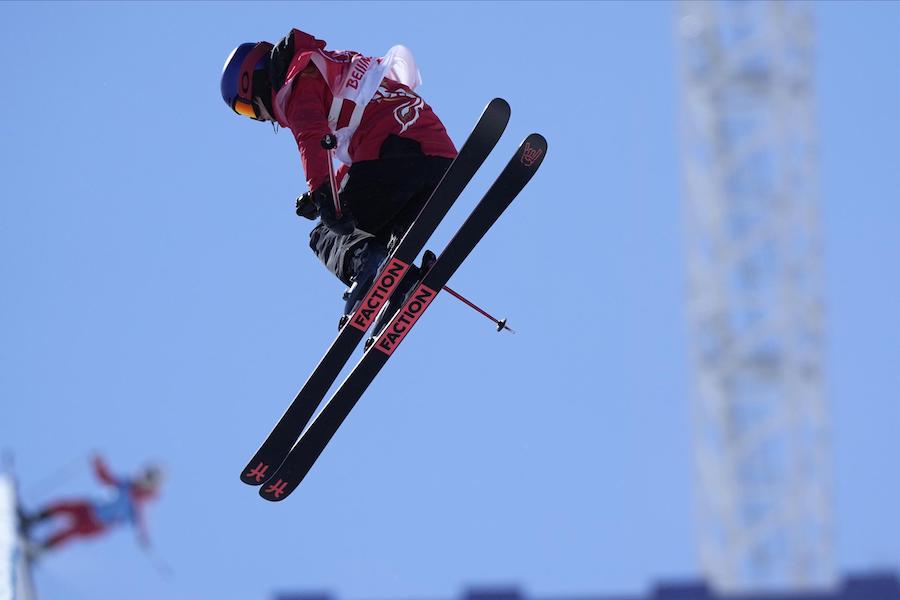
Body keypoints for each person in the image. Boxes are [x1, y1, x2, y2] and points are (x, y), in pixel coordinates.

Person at [220, 28, 458, 316]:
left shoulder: (297, 84)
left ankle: (370, 268)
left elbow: (312, 138)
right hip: (436, 157)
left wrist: (323, 194)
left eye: (247, 109)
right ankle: (403, 284)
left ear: (253, 81)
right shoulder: (329, 67)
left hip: (397, 157)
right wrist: (323, 191)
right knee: (379, 239)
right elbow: (358, 148)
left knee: (326, 234)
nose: (259, 118)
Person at [22, 455, 162, 554]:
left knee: (71, 530)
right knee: (64, 506)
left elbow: (143, 522)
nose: (142, 478)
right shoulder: (126, 484)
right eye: (144, 474)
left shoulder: (142, 502)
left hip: (98, 523)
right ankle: (32, 520)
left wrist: (144, 538)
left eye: (148, 478)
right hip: (91, 506)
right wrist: (99, 465)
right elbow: (107, 479)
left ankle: (41, 549)